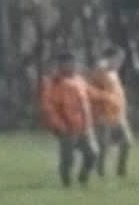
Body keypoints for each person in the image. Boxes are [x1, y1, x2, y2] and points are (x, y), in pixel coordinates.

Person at [39, 52, 97, 189]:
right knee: (68, 159)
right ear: (61, 65)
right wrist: (59, 125)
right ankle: (66, 184)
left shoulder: (79, 80)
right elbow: (48, 108)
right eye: (68, 64)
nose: (72, 66)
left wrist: (109, 98)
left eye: (73, 63)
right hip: (67, 127)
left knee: (93, 154)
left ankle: (83, 178)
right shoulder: (53, 83)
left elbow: (90, 95)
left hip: (84, 126)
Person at [87, 46, 133, 179]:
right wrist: (106, 98)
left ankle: (121, 171)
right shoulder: (100, 71)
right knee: (103, 146)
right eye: (119, 59)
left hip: (118, 115)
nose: (121, 62)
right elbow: (89, 90)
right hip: (103, 115)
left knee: (127, 142)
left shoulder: (113, 73)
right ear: (110, 57)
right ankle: (100, 172)